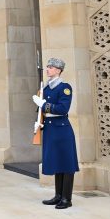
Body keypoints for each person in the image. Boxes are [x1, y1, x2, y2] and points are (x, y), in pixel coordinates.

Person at [33, 58, 79, 210]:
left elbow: (62, 109)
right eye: (47, 67)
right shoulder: (46, 89)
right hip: (50, 129)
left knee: (66, 163)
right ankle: (58, 195)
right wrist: (38, 119)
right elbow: (41, 110)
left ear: (58, 70)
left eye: (51, 67)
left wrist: (44, 105)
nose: (47, 69)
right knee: (57, 162)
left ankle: (67, 198)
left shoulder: (64, 88)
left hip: (61, 128)